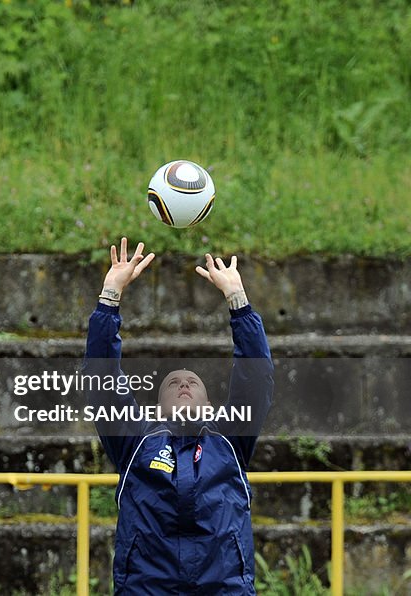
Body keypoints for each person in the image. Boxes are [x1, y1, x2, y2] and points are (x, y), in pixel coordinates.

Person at [84, 238, 273, 594]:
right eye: (173, 383)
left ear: (210, 406)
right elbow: (102, 379)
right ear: (155, 409)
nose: (183, 384)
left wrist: (239, 302)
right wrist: (110, 295)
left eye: (192, 382)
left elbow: (256, 379)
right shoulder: (136, 441)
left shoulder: (230, 441)